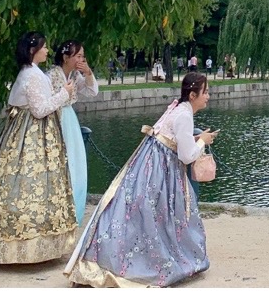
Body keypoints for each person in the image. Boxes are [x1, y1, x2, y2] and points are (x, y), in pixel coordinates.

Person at [65, 72, 218, 286]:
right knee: (158, 212)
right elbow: (185, 156)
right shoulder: (184, 115)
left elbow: (172, 139)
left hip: (151, 160)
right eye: (206, 92)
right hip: (161, 167)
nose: (208, 96)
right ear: (193, 95)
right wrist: (202, 141)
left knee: (142, 210)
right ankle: (159, 261)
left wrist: (195, 139)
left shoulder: (177, 107)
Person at [0, 31, 77, 264]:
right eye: (44, 48)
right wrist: (64, 94)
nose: (48, 51)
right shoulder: (32, 76)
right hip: (32, 135)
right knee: (30, 183)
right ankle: (23, 246)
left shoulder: (31, 73)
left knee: (21, 184)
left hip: (29, 131)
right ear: (32, 51)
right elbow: (39, 110)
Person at [48, 40, 100, 225]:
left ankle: (73, 208)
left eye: (82, 56)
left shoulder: (76, 76)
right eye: (78, 56)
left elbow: (92, 91)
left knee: (75, 162)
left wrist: (88, 73)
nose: (81, 59)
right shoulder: (52, 75)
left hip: (69, 118)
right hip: (55, 118)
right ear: (65, 57)